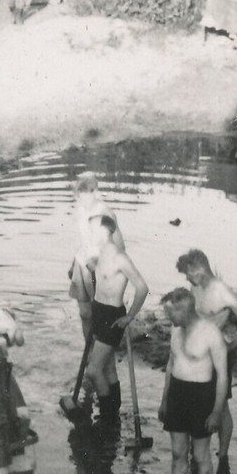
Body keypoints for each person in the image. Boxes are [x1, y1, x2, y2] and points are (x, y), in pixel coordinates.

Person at [175, 249, 237, 474]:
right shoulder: (195, 287)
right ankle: (197, 451)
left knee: (220, 406)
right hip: (198, 352)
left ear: (198, 269)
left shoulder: (222, 292)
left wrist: (229, 347)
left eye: (188, 273)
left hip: (218, 353)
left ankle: (222, 456)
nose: (187, 278)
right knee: (195, 399)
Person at [158, 287, 228, 474]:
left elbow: (222, 376)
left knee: (200, 455)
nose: (167, 317)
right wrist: (164, 400)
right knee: (177, 452)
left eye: (170, 313)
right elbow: (170, 365)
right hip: (177, 393)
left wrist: (216, 412)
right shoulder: (175, 329)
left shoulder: (211, 333)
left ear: (184, 311)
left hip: (201, 396)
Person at [84, 215, 149, 417]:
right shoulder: (100, 254)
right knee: (108, 368)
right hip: (98, 310)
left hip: (112, 315)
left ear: (103, 232)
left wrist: (129, 316)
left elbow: (142, 288)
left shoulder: (120, 258)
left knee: (93, 371)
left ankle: (107, 416)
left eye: (92, 230)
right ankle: (114, 413)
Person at [67, 172, 125, 343]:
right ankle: (89, 349)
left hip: (99, 267)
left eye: (90, 192)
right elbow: (81, 240)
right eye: (82, 193)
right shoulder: (79, 210)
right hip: (81, 264)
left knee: (99, 312)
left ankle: (101, 350)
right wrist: (73, 264)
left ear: (96, 191)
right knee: (84, 313)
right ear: (77, 194)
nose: (86, 197)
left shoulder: (105, 212)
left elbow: (120, 246)